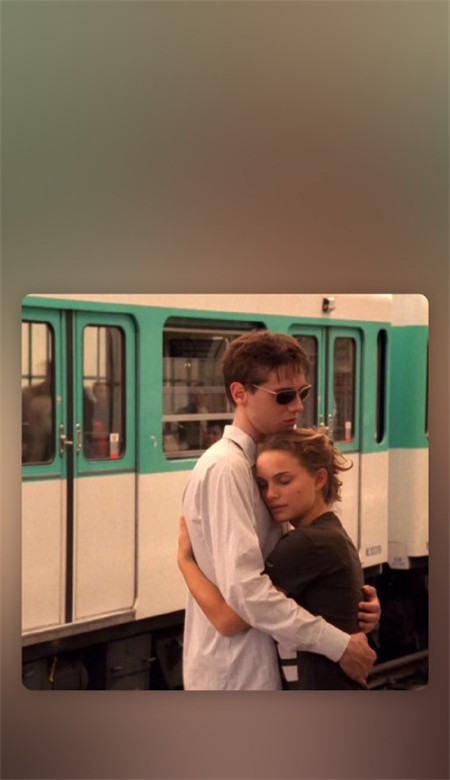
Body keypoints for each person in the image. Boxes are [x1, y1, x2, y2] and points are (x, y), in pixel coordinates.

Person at [181, 330, 379, 690]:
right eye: (284, 396)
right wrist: (339, 644)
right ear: (240, 393)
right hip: (238, 675)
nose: (298, 406)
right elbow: (247, 593)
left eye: (302, 393)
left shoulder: (257, 463)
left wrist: (350, 605)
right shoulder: (227, 468)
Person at [179, 428, 372, 689]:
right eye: (263, 484)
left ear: (319, 479)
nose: (271, 494)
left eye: (284, 481)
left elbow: (228, 619)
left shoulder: (306, 543)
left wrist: (185, 562)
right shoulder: (331, 533)